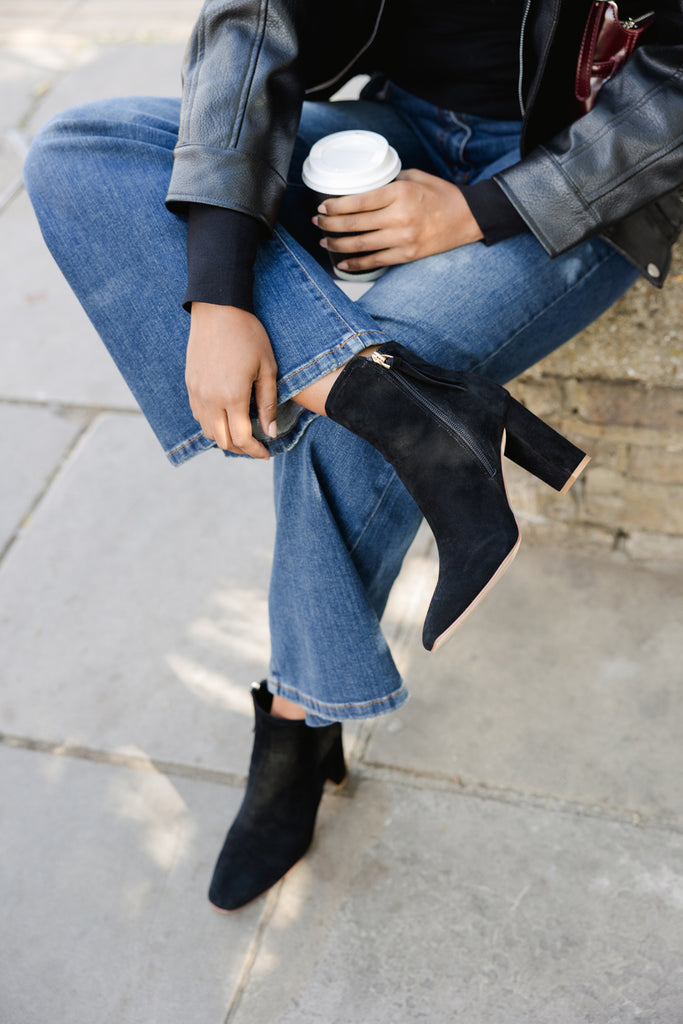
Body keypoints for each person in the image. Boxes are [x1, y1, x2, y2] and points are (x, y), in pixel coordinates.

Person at [24, 0, 683, 911]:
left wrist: (480, 209)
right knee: (80, 150)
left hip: (575, 176)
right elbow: (250, 27)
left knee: (376, 359)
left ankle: (298, 719)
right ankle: (409, 411)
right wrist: (216, 296)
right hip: (395, 126)